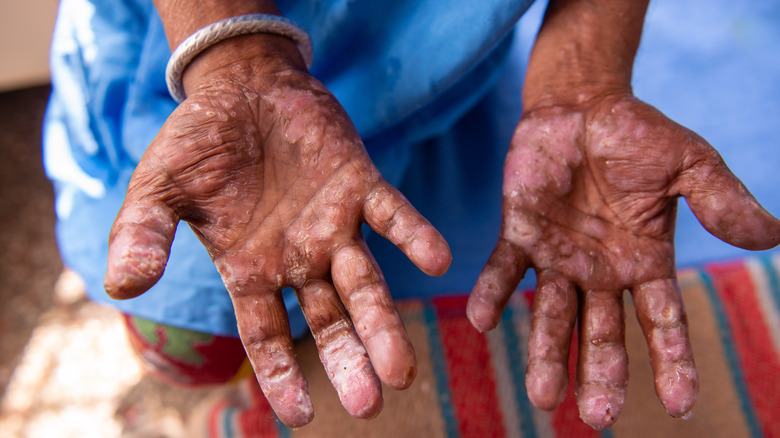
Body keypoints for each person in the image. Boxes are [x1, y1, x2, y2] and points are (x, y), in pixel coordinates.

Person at [44, 0, 780, 432]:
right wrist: (235, 60)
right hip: (194, 50)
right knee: (191, 339)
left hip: (423, 32)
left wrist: (580, 81)